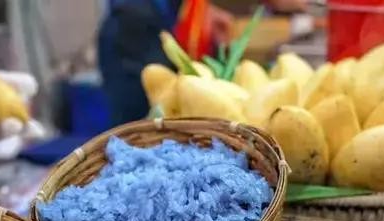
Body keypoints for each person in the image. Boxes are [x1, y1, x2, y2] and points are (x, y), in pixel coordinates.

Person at [98, 0, 307, 126]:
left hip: (156, 14)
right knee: (139, 126)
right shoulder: (134, 20)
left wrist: (201, 10)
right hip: (133, 25)